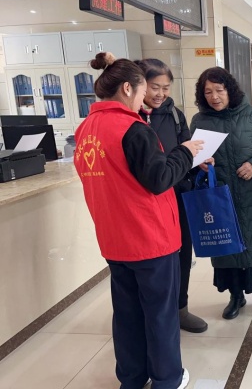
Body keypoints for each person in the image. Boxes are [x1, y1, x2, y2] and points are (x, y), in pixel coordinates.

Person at [74, 52, 205, 389]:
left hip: (114, 239)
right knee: (160, 314)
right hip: (150, 239)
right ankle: (167, 379)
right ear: (128, 88)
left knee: (127, 314)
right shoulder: (133, 129)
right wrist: (186, 152)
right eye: (145, 90)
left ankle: (131, 379)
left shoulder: (86, 129)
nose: (147, 99)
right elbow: (159, 179)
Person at [190, 67, 252, 321]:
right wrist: (200, 164)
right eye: (208, 92)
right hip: (221, 197)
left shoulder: (250, 114)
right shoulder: (199, 121)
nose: (214, 96)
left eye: (219, 90)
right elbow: (193, 155)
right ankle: (235, 296)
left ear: (229, 90)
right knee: (226, 249)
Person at [135, 58, 212, 334]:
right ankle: (153, 315)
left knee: (182, 255)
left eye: (166, 88)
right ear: (139, 85)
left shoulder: (175, 115)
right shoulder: (132, 118)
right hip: (147, 200)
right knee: (153, 262)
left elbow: (187, 150)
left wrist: (200, 161)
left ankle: (181, 310)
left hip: (178, 195)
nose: (160, 94)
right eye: (154, 87)